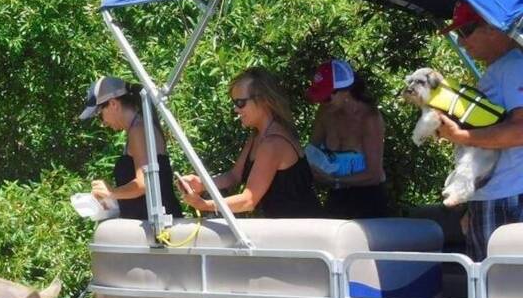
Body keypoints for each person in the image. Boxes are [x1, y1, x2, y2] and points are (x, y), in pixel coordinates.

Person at [435, 0, 523, 261]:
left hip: (509, 199)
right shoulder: (502, 69)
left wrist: (459, 136)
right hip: (496, 196)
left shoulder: (513, 68)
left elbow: (520, 131)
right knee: (490, 291)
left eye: (465, 32)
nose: (461, 42)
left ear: (492, 28)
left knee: (499, 292)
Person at [179, 67, 321, 218]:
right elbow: (234, 176)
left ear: (263, 100)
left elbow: (249, 200)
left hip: (304, 231)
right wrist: (201, 183)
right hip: (285, 230)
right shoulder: (258, 136)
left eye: (240, 103)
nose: (235, 109)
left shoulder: (273, 143)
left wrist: (205, 205)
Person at [81, 76, 182, 220]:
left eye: (99, 115)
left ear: (113, 103)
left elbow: (144, 184)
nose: (102, 123)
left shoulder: (139, 130)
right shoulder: (139, 127)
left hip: (156, 228)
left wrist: (112, 193)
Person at [305, 59, 389, 218]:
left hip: (368, 200)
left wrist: (335, 180)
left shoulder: (369, 118)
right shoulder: (325, 112)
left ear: (345, 91)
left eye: (327, 97)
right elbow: (311, 152)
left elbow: (374, 175)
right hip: (337, 197)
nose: (323, 102)